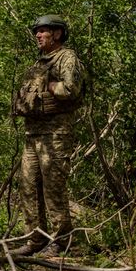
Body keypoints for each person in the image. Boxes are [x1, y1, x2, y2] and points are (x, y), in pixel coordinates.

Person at [11, 14, 86, 256]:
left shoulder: (67, 57)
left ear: (57, 33)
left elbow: (72, 89)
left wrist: (52, 87)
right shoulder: (38, 64)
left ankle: (62, 241)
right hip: (32, 134)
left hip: (55, 134)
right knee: (28, 187)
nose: (37, 35)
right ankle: (35, 239)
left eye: (42, 31)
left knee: (53, 188)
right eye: (37, 31)